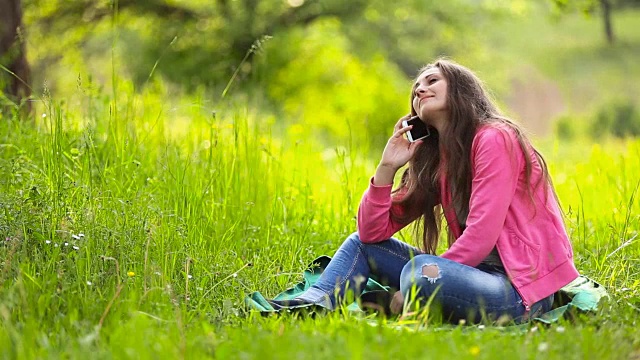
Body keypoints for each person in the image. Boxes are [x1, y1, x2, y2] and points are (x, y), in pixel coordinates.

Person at [273, 58, 580, 324]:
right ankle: (315, 303)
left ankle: (405, 298)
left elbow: (480, 238)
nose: (420, 90)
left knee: (421, 273)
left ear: (462, 89)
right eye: (416, 88)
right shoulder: (439, 160)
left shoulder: (494, 138)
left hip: (515, 291)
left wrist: (415, 284)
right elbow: (370, 233)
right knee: (361, 246)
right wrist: (387, 168)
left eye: (432, 81)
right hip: (468, 277)